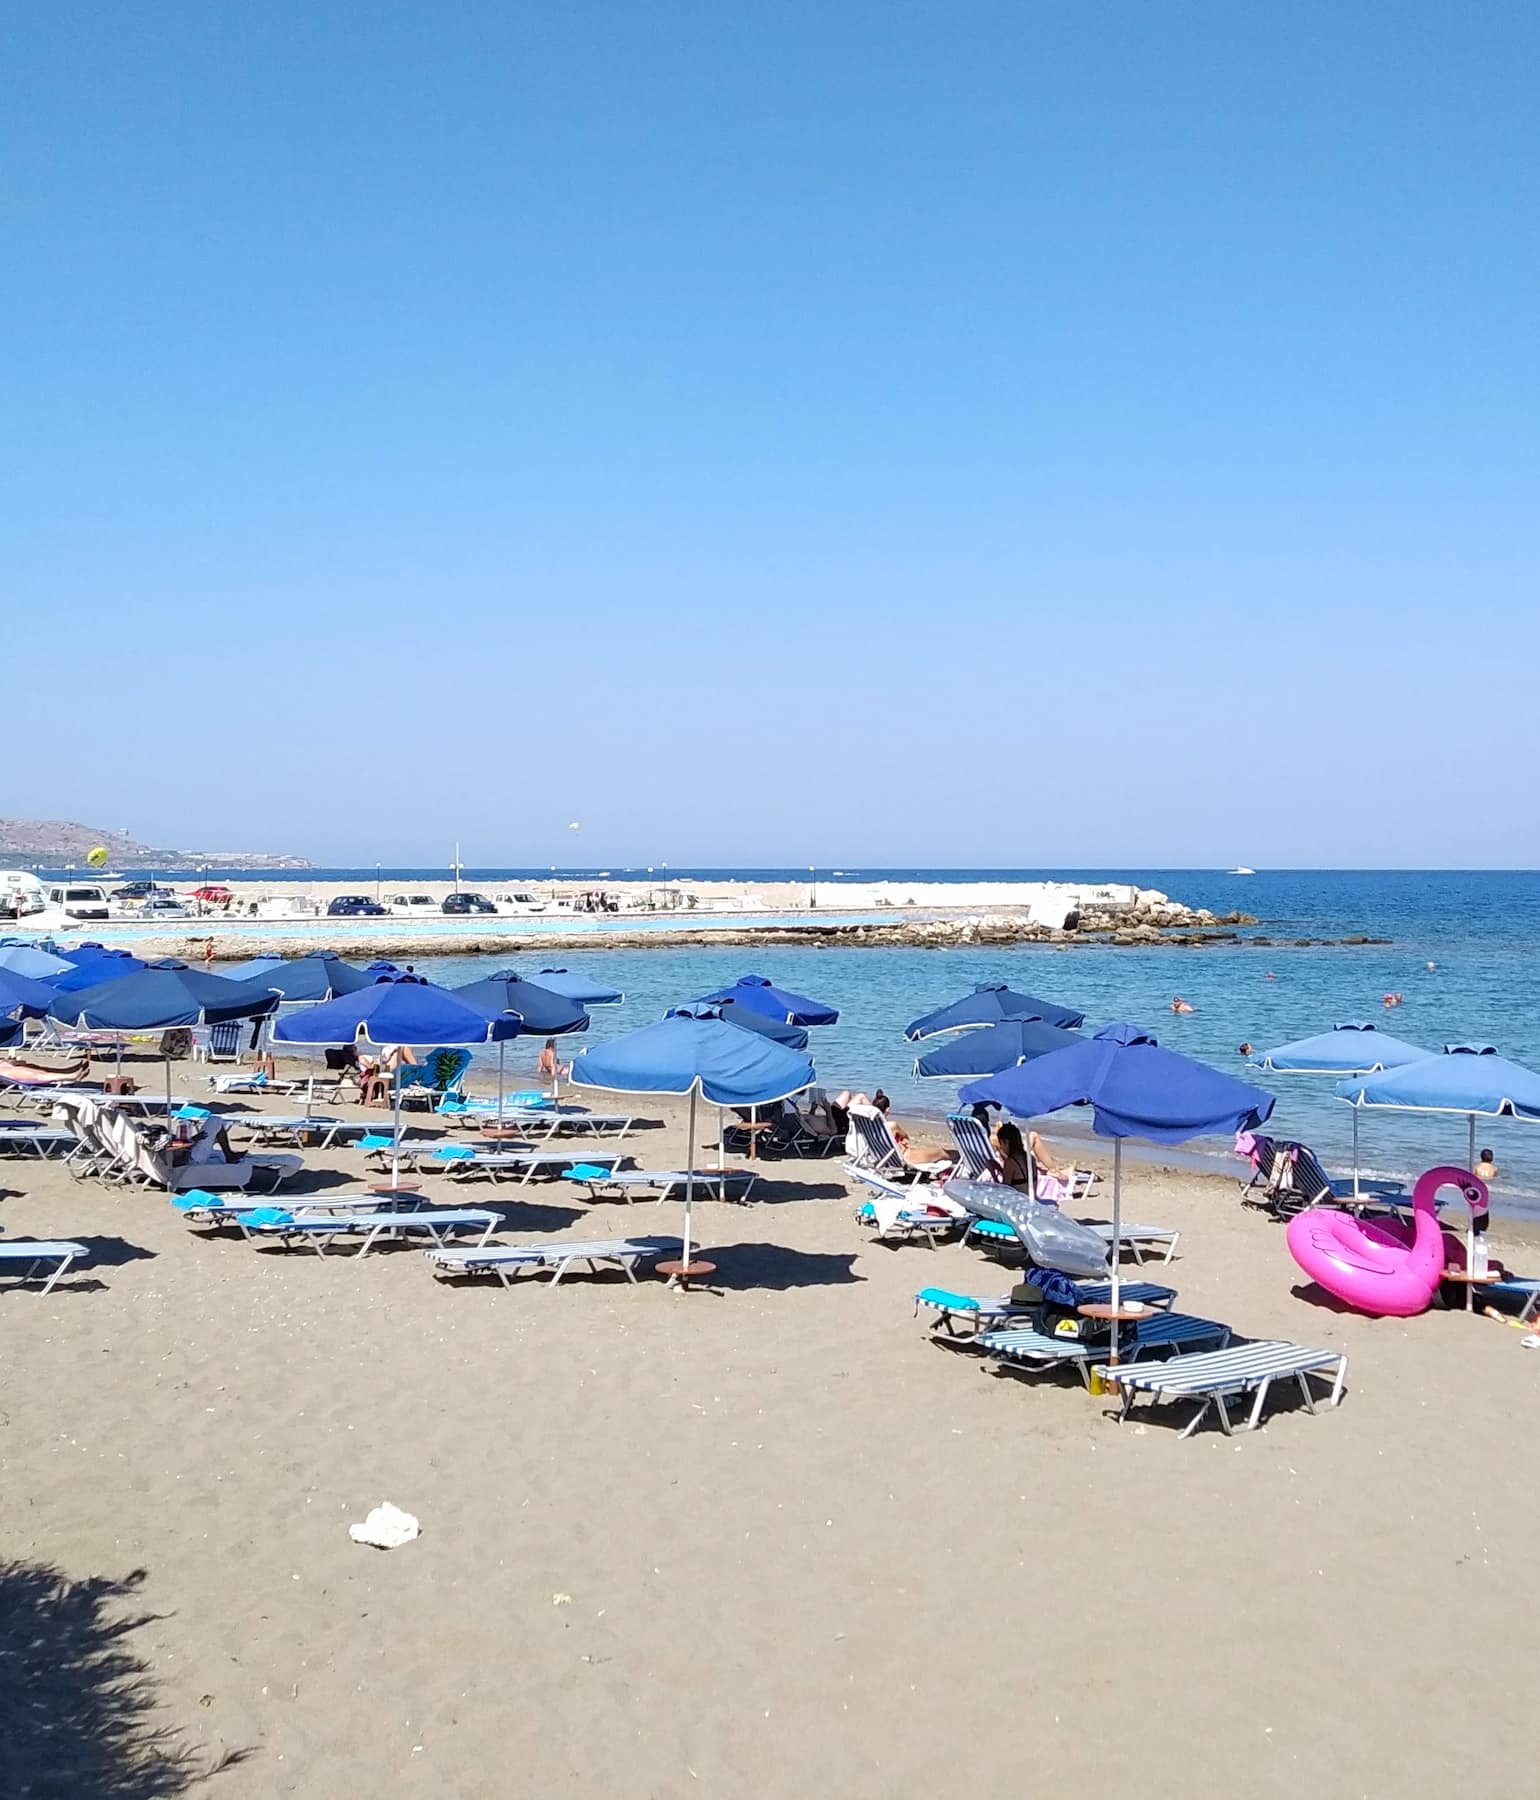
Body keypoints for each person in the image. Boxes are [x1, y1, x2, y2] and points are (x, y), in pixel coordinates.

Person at [871, 1090, 950, 1167]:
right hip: (905, 1157)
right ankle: (957, 1161)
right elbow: (906, 1137)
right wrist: (902, 1140)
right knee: (941, 1152)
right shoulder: (892, 1125)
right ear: (887, 1110)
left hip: (885, 1158)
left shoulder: (871, 1126)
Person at [992, 1120, 1035, 1193]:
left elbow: (1004, 1190)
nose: (1001, 1147)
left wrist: (992, 1172)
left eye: (1001, 1143)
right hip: (1031, 1196)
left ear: (1006, 1142)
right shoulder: (1031, 1158)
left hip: (1018, 1198)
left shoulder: (1010, 1162)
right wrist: (999, 1168)